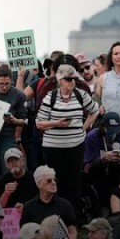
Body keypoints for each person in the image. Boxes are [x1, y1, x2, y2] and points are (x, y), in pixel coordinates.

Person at [36, 64, 99, 218]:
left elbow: (95, 110)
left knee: (74, 181)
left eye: (73, 79)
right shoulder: (50, 97)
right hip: (53, 145)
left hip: (75, 144)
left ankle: (73, 217)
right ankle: (55, 214)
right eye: (68, 79)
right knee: (55, 180)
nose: (71, 82)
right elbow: (39, 123)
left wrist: (83, 129)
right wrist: (56, 123)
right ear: (60, 80)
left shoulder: (81, 95)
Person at [19, 166, 78, 239]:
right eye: (49, 181)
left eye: (54, 180)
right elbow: (24, 233)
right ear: (39, 184)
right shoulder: (28, 207)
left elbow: (72, 231)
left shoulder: (65, 205)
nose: (53, 183)